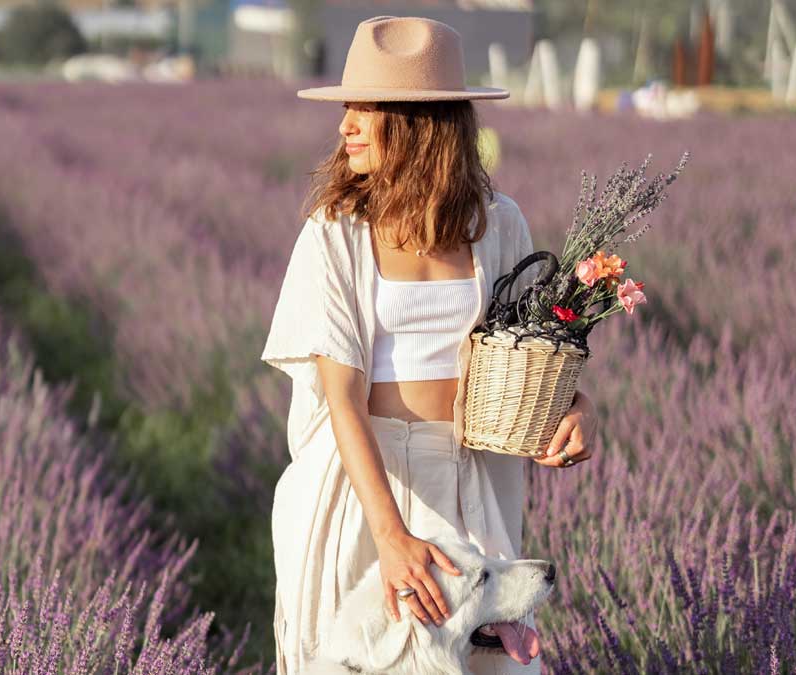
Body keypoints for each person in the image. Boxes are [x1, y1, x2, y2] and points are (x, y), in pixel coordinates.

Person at [261, 16, 598, 675]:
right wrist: (390, 536)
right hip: (361, 487)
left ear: (419, 121)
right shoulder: (334, 235)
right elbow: (342, 400)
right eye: (347, 108)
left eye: (367, 108)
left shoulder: (497, 223)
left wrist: (577, 406)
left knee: (486, 660)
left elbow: (529, 355)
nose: (346, 125)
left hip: (469, 478)